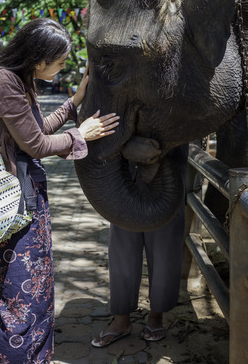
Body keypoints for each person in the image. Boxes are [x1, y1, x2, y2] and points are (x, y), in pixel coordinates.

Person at [0, 18, 119, 363]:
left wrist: (74, 103)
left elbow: (34, 129)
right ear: (39, 60)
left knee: (34, 291)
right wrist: (83, 135)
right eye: (61, 62)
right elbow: (35, 144)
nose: (64, 67)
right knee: (21, 296)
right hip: (12, 206)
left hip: (27, 201)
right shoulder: (4, 83)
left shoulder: (17, 80)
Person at [92, 144, 188, 346]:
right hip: (125, 176)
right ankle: (121, 319)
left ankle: (156, 315)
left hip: (168, 173)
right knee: (122, 249)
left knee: (165, 250)